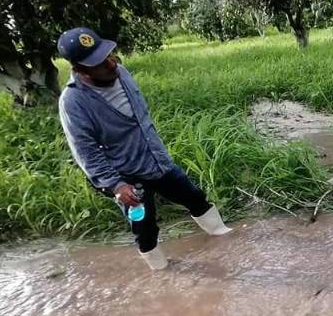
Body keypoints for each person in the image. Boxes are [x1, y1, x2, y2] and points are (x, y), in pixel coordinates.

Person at [57, 27, 232, 270]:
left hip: (157, 161)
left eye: (109, 55)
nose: (110, 64)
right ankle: (161, 271)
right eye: (99, 63)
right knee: (144, 227)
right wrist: (116, 185)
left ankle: (224, 237)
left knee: (195, 197)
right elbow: (85, 151)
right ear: (80, 70)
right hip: (127, 177)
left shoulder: (122, 73)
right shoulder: (73, 102)